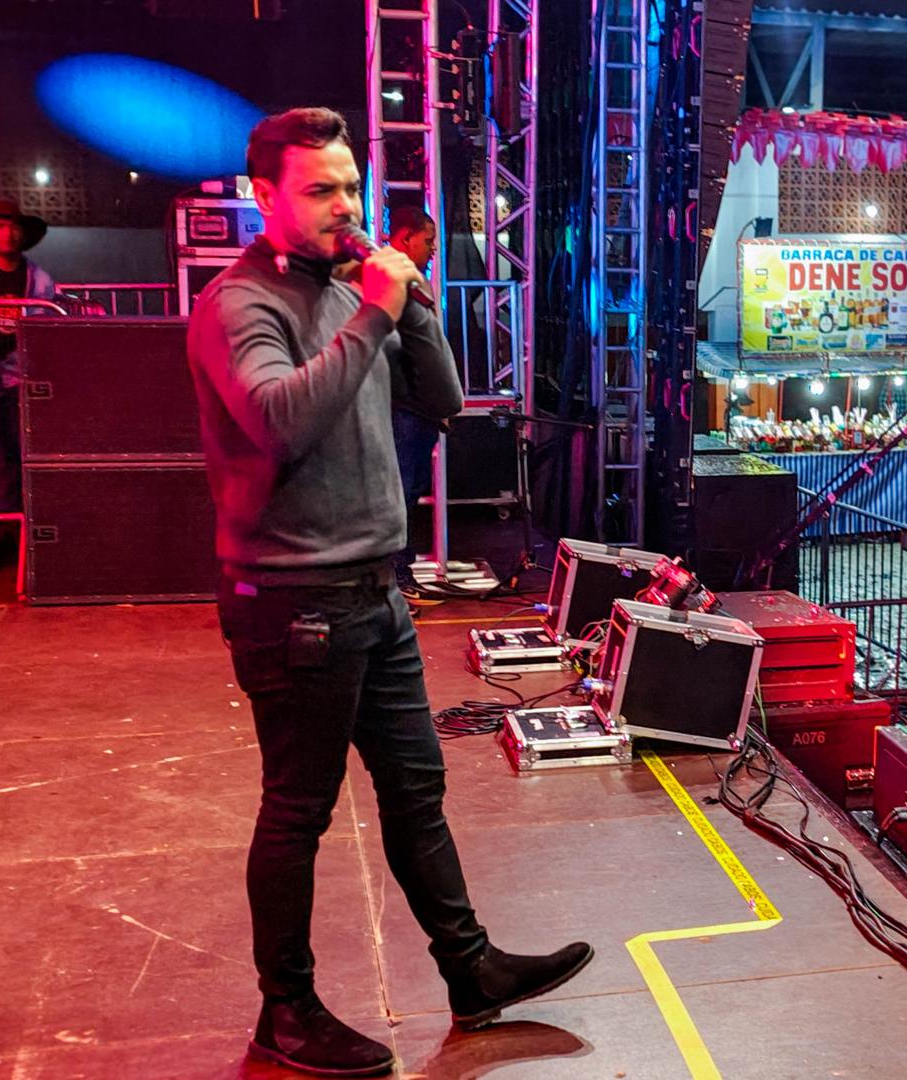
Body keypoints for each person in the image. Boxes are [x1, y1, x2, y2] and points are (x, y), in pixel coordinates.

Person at [186, 108, 590, 1077]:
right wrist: (373, 311)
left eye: (351, 187)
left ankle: (471, 969)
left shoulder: (348, 290)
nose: (346, 206)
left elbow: (442, 402)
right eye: (320, 190)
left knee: (417, 791)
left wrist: (410, 310)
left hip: (376, 589)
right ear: (264, 196)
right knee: (299, 810)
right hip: (295, 602)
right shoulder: (238, 305)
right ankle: (284, 1012)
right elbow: (279, 422)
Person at [0, 198, 59, 527]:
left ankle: (24, 521)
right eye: (0, 226)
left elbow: (47, 329)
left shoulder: (39, 279)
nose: (8, 233)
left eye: (14, 226)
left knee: (24, 448)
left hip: (23, 375)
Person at [385, 205, 443, 589]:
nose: (433, 248)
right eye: (428, 240)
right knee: (401, 488)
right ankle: (394, 572)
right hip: (402, 405)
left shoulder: (419, 282)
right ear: (406, 238)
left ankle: (398, 569)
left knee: (413, 486)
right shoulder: (385, 279)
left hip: (420, 405)